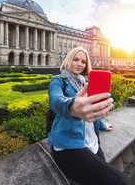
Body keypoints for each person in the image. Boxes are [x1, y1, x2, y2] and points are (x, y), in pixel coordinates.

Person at [48, 46, 130, 185]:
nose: (79, 64)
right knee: (120, 181)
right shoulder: (58, 80)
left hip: (91, 140)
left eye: (83, 62)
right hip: (68, 144)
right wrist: (72, 107)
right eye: (76, 60)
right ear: (69, 60)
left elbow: (90, 112)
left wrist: (102, 123)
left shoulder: (85, 83)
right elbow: (55, 100)